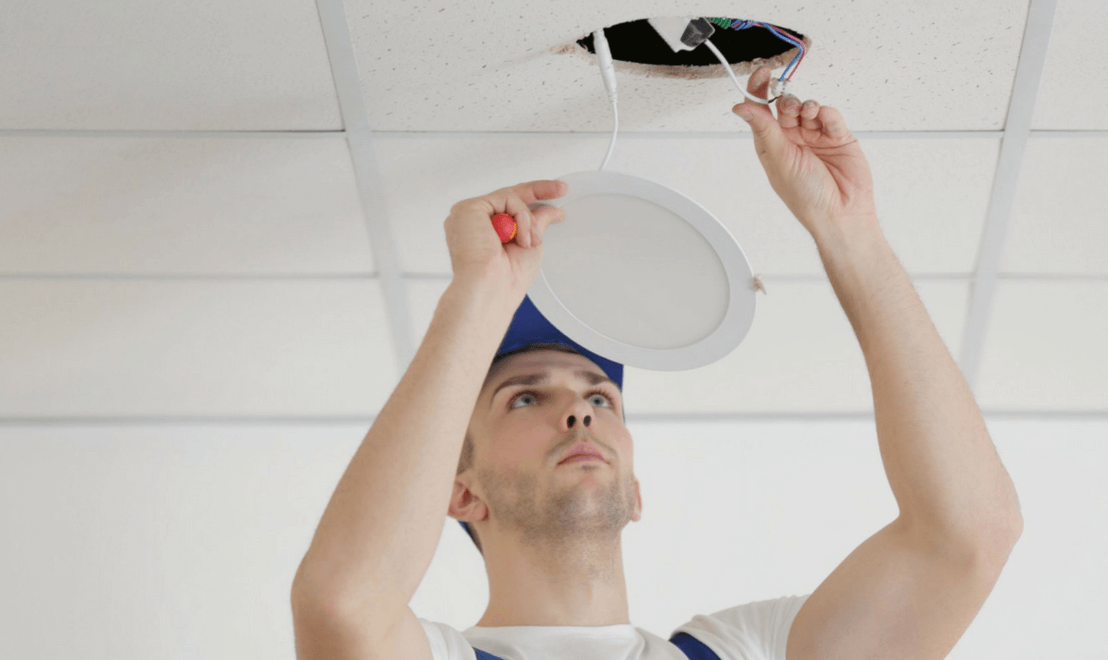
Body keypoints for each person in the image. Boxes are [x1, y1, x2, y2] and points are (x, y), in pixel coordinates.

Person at [292, 65, 1023, 660]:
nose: (578, 409)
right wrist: (477, 297)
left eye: (601, 398)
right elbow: (342, 605)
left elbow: (966, 536)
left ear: (636, 491)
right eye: (522, 398)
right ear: (459, 493)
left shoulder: (743, 653)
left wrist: (849, 231)